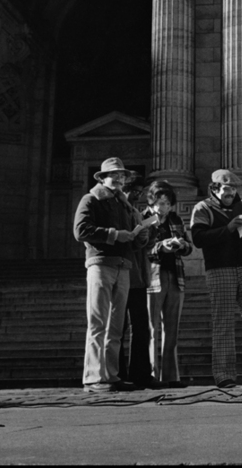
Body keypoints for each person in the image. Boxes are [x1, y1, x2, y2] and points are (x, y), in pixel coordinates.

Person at [74, 157, 149, 393]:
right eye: (114, 175)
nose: (119, 179)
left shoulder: (126, 206)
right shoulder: (91, 199)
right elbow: (81, 231)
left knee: (116, 326)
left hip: (123, 266)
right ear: (102, 178)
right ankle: (94, 378)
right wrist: (115, 234)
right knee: (98, 323)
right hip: (101, 264)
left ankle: (111, 375)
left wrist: (140, 235)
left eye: (122, 176)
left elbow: (133, 243)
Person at [190, 169, 242, 388]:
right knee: (223, 322)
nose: (231, 192)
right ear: (215, 189)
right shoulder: (202, 208)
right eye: (226, 188)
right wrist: (228, 228)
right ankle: (225, 376)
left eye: (233, 188)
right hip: (219, 269)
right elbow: (198, 238)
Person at [143, 180, 192, 388]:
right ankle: (152, 375)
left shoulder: (176, 219)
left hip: (175, 275)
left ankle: (171, 376)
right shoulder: (144, 219)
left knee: (172, 329)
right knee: (152, 329)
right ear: (151, 202)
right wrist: (160, 247)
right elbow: (140, 247)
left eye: (166, 203)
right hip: (152, 277)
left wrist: (181, 244)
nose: (162, 208)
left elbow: (189, 247)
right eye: (159, 203)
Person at [117, 173, 160, 390]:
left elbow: (143, 244)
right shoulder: (117, 209)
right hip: (123, 275)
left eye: (140, 192)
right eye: (135, 191)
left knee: (141, 327)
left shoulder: (135, 211)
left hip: (139, 276)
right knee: (120, 327)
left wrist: (148, 232)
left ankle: (141, 373)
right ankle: (118, 373)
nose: (138, 195)